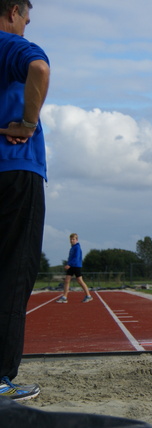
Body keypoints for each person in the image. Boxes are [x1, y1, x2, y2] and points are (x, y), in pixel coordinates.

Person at [0, 0, 50, 401]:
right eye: (26, 21)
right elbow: (38, 68)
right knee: (13, 273)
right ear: (13, 10)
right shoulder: (10, 45)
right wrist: (28, 123)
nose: (25, 29)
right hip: (14, 169)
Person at [56, 233, 93, 303]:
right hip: (71, 266)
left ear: (76, 240)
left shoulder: (77, 247)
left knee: (80, 281)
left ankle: (88, 296)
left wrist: (69, 264)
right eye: (71, 239)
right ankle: (64, 297)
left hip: (76, 266)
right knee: (67, 281)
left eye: (73, 239)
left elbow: (76, 258)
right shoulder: (72, 248)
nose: (72, 240)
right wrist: (69, 264)